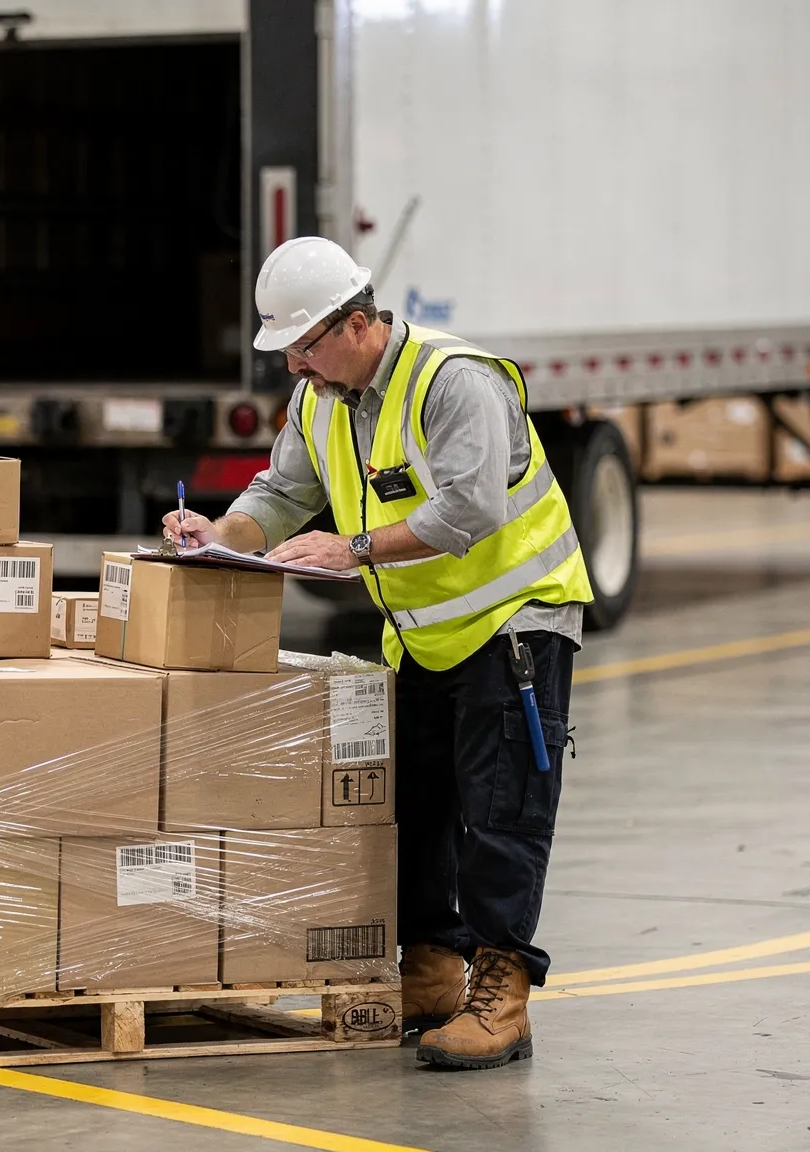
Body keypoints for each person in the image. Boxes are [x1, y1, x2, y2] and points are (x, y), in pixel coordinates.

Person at [164, 236, 592, 1070]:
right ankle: (430, 969)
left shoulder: (452, 382)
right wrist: (218, 535)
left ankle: (503, 996)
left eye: (305, 345)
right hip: (426, 635)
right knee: (419, 805)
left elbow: (469, 512)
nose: (294, 364)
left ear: (357, 324)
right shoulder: (323, 397)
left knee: (500, 811)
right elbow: (282, 492)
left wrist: (350, 548)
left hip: (516, 623)